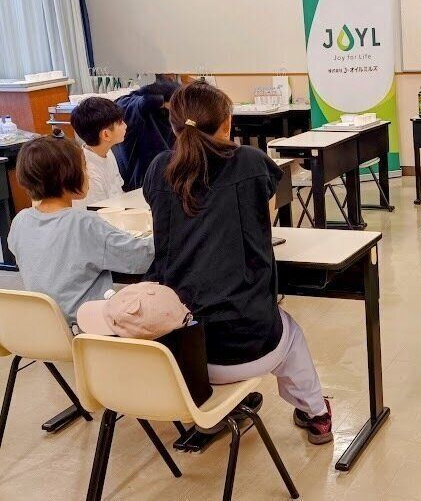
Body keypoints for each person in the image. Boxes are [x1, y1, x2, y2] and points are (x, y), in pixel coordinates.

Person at [143, 81, 333, 445]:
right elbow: (265, 221)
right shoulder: (249, 162)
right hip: (246, 346)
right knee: (290, 333)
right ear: (228, 123)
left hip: (180, 354)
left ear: (173, 125)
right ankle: (316, 413)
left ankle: (217, 409)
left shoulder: (158, 168)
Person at [8, 136, 154, 322]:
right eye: (85, 167)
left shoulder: (20, 221)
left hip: (44, 326)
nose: (88, 174)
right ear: (69, 175)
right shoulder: (84, 223)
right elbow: (141, 258)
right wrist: (166, 234)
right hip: (88, 327)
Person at [114, 76, 179, 190]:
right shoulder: (135, 107)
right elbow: (147, 101)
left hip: (160, 176)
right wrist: (163, 102)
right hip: (141, 179)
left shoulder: (165, 116)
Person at [70, 96, 127, 208]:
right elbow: (96, 213)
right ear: (106, 135)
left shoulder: (107, 151)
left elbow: (119, 191)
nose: (125, 125)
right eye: (120, 123)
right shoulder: (89, 174)